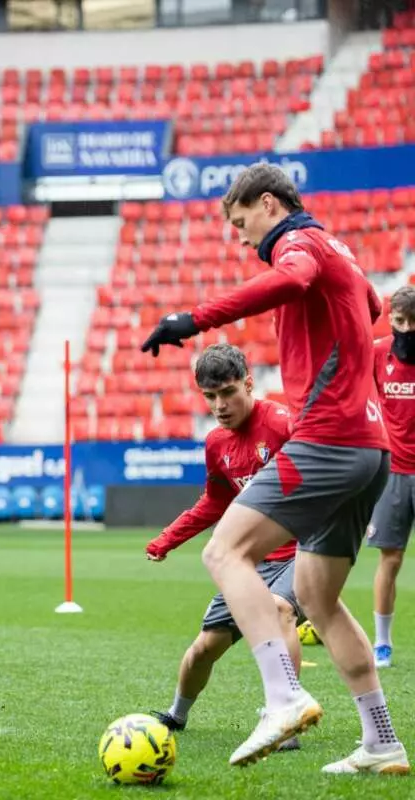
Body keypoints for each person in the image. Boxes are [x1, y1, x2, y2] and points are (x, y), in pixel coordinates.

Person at [141, 163, 407, 773]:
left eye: (241, 223)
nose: (241, 238)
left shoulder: (298, 241)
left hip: (329, 439)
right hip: (372, 448)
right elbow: (369, 302)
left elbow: (295, 277)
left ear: (268, 203)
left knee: (224, 554)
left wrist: (195, 318)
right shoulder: (338, 246)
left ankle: (283, 696)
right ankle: (381, 739)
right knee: (317, 596)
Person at [144, 345, 302, 748]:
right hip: (248, 561)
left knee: (280, 611)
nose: (220, 405)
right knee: (205, 647)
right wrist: (168, 539)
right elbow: (215, 500)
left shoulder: (284, 424)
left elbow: (326, 472)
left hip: (302, 552)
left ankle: (285, 717)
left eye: (228, 392)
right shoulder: (216, 443)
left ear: (249, 383)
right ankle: (177, 715)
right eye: (210, 397)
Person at [368, 285, 415, 669]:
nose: (406, 328)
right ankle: (381, 644)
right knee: (391, 557)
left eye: (413, 322)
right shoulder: (378, 353)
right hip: (393, 470)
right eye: (400, 321)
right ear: (390, 319)